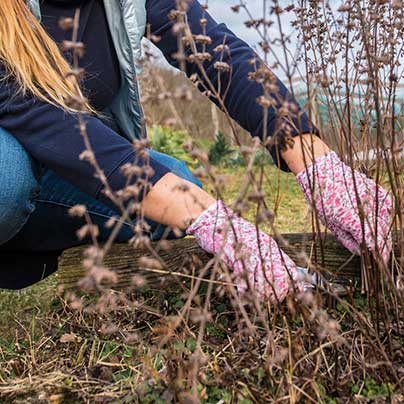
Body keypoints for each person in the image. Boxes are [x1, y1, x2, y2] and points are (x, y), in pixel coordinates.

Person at [0, 0, 392, 302]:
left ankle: (40, 245)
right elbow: (51, 121)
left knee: (181, 191)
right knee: (7, 178)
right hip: (17, 157)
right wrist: (219, 224)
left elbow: (217, 53)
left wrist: (315, 161)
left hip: (65, 159)